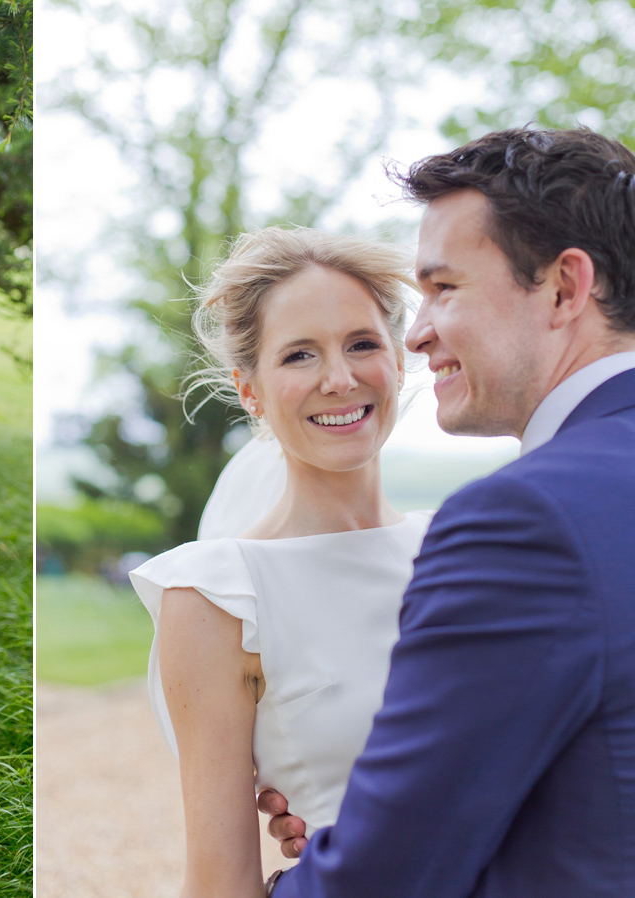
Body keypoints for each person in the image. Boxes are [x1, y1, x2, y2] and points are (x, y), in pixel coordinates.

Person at [263, 128, 635, 897]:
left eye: (444, 289)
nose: (419, 332)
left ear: (566, 287)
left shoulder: (526, 521)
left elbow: (386, 878)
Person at [128, 227, 431, 897]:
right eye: (299, 355)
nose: (339, 378)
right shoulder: (217, 597)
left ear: (400, 362)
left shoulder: (460, 548)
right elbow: (219, 881)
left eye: (362, 344)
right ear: (250, 388)